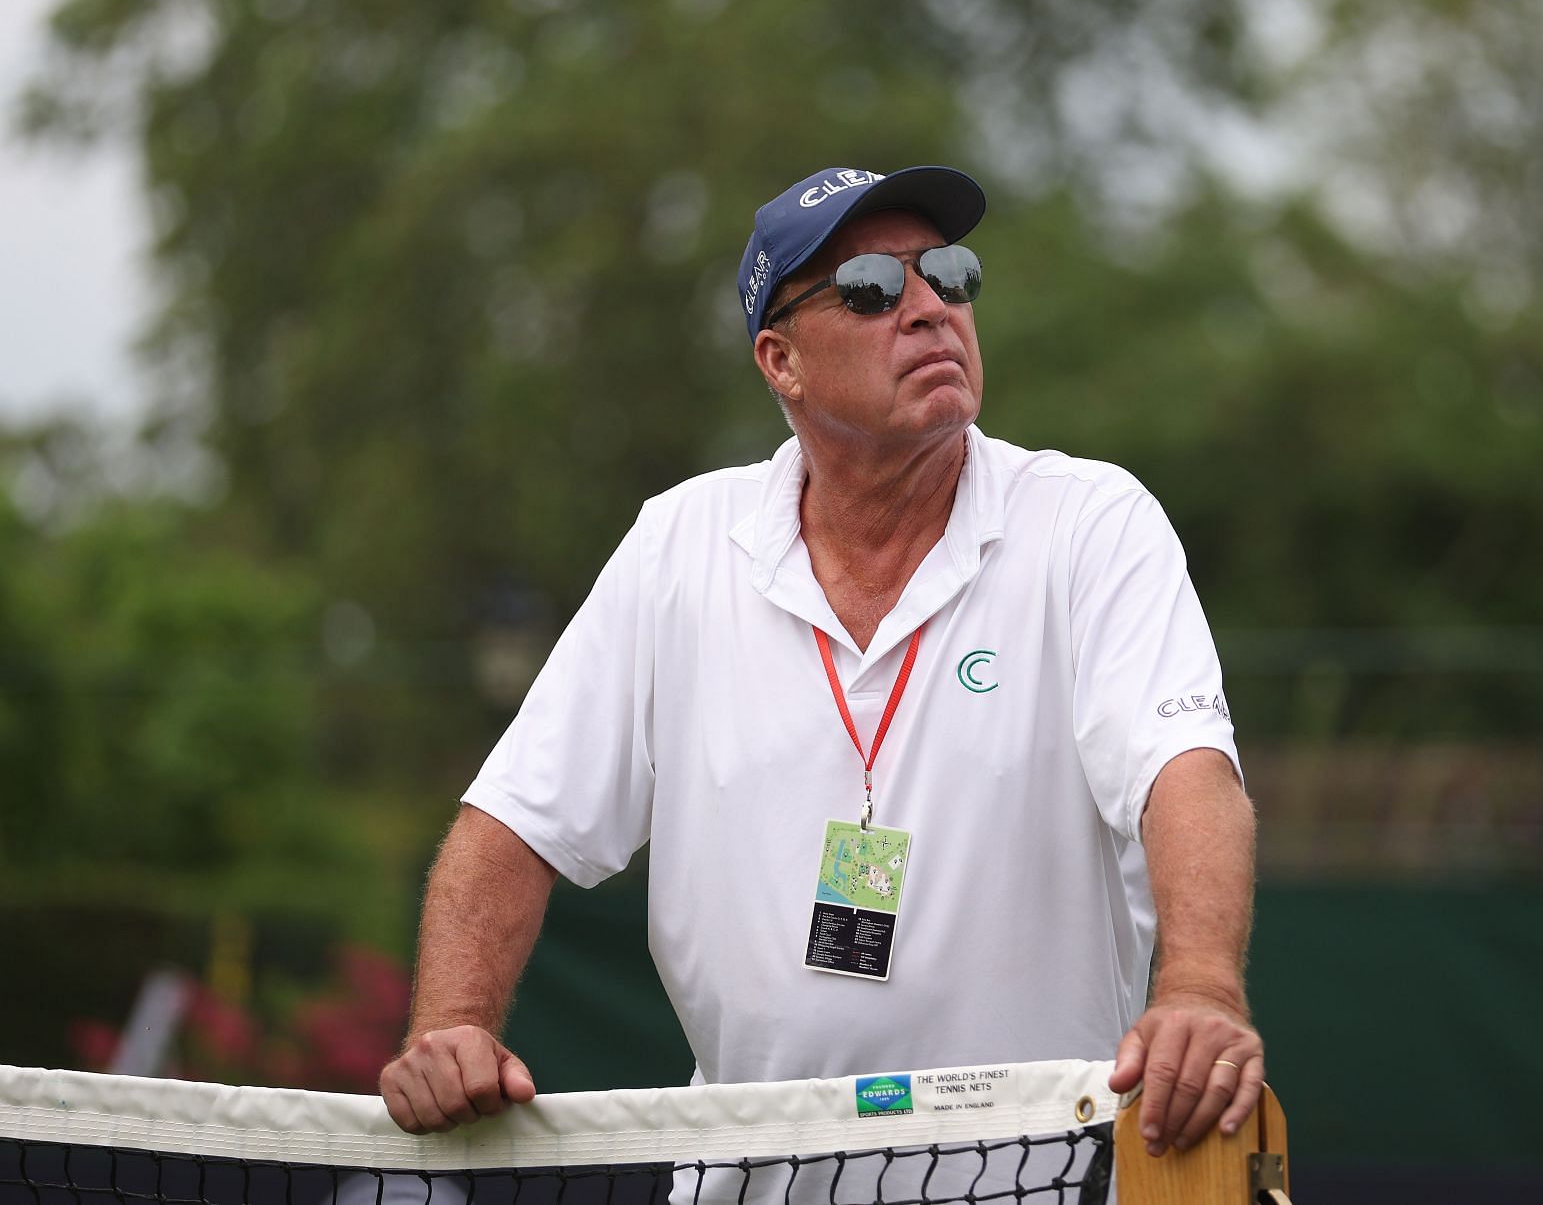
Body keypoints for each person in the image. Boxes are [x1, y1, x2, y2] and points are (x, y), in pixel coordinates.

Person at [378, 165, 1263, 1165]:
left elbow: (1184, 768)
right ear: (781, 360)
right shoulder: (680, 545)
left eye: (950, 274)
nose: (930, 308)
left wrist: (1199, 989)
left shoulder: (1091, 523)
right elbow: (515, 819)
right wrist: (450, 1022)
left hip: (1039, 1177)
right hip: (756, 1179)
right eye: (875, 289)